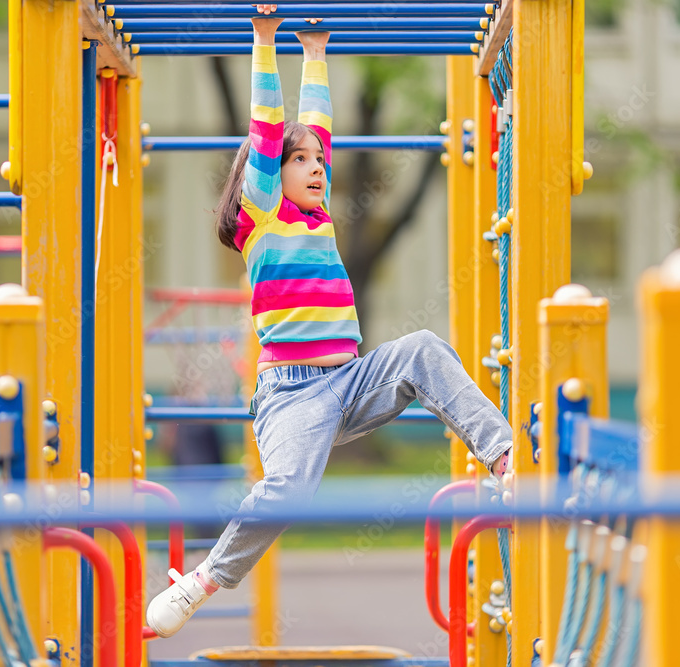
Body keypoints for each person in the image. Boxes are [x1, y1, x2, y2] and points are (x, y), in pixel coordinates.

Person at [146, 5, 513, 638]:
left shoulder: (318, 218)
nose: (318, 167)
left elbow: (317, 126)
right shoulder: (262, 217)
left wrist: (315, 53)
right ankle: (205, 578)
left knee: (423, 348)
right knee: (286, 487)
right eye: (301, 161)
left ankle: (506, 458)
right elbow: (269, 129)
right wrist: (265, 42)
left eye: (320, 160)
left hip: (351, 378)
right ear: (264, 176)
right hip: (293, 394)